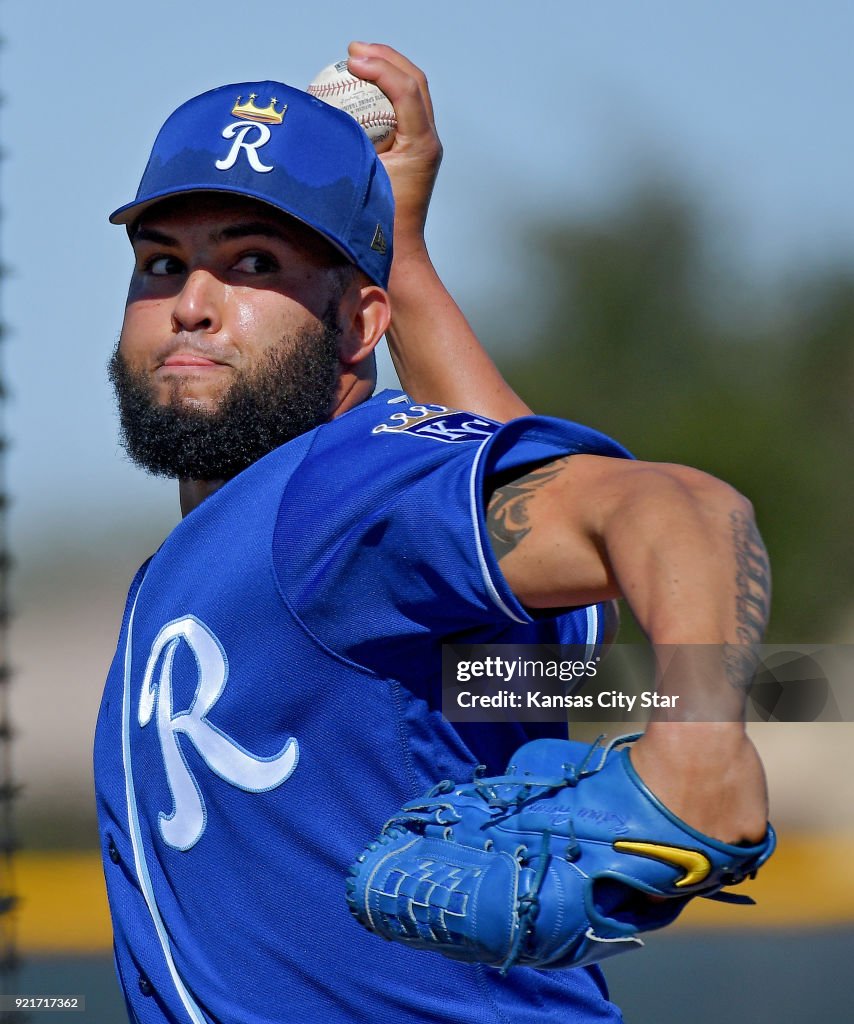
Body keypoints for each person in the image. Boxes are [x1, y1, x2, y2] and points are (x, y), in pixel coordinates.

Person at [95, 43, 770, 1024]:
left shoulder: (336, 495)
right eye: (162, 262)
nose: (190, 304)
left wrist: (700, 736)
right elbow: (582, 611)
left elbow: (677, 507)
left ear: (359, 324)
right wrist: (397, 256)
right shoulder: (262, 557)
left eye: (252, 262)